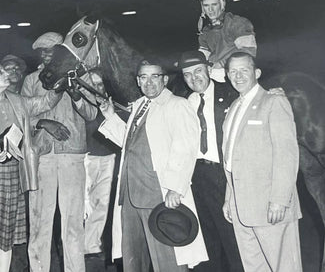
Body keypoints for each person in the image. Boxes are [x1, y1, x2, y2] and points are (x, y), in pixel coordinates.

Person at [98, 59, 208, 272]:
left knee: (167, 260)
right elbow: (131, 144)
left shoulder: (177, 105)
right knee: (133, 259)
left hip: (158, 195)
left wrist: (175, 188)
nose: (148, 83)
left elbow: (185, 148)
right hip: (129, 196)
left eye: (154, 76)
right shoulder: (140, 105)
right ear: (138, 81)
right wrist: (110, 116)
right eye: (143, 77)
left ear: (165, 79)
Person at [0, 59, 62, 272]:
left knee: (5, 238)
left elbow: (43, 103)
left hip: (11, 176)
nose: (6, 74)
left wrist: (59, 88)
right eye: (0, 73)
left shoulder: (17, 100)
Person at [22, 31, 97, 272]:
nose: (45, 54)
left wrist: (76, 96)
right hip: (42, 156)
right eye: (42, 51)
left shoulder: (79, 76)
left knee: (73, 223)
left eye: (51, 50)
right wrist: (44, 123)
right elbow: (20, 116)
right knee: (40, 221)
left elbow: (92, 113)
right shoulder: (32, 80)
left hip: (71, 155)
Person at [222, 52, 302, 272]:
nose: (238, 76)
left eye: (244, 70)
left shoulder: (273, 102)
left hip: (270, 205)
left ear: (256, 73)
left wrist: (279, 199)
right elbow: (231, 158)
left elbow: (287, 154)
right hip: (241, 206)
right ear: (227, 75)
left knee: (285, 267)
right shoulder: (234, 108)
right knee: (254, 267)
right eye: (233, 72)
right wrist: (230, 198)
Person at [178, 51, 243, 272]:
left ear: (208, 69)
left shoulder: (231, 92)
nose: (194, 78)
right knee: (208, 240)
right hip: (197, 177)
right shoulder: (185, 101)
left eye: (198, 71)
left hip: (224, 175)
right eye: (187, 75)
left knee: (233, 238)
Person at [82, 68, 118, 261]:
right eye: (92, 83)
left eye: (99, 83)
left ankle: (91, 245)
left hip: (108, 157)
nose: (96, 87)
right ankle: (74, 243)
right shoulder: (82, 104)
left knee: (102, 202)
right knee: (84, 203)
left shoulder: (112, 103)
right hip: (87, 157)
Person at [197, 0, 257, 82]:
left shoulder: (237, 23)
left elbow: (248, 52)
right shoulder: (205, 32)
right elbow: (202, 56)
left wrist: (222, 64)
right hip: (213, 76)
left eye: (214, 5)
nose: (210, 10)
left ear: (222, 4)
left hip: (235, 75)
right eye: (206, 6)